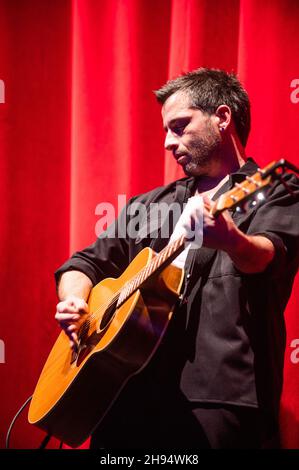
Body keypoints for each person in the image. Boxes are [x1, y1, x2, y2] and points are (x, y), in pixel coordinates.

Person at [55, 68, 299, 449]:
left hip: (217, 399)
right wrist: (74, 301)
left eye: (180, 126)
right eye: (166, 130)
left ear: (222, 117)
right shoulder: (149, 204)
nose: (169, 142)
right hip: (125, 397)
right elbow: (83, 264)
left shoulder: (274, 190)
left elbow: (267, 258)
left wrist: (230, 240)